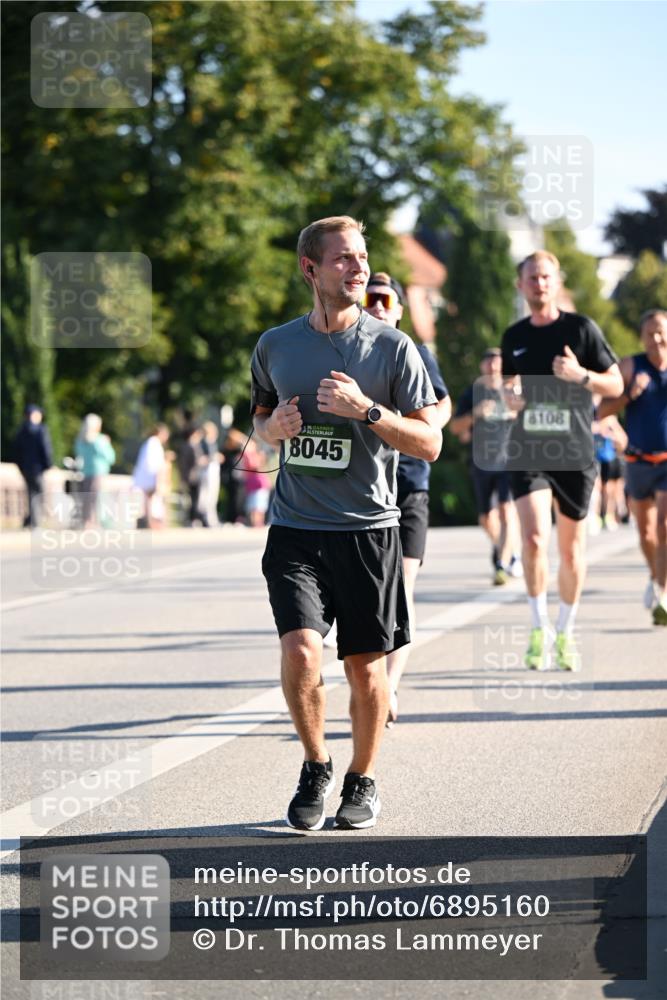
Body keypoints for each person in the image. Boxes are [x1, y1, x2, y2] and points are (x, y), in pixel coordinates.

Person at [251, 216, 441, 830]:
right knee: (303, 651)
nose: (359, 269)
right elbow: (257, 423)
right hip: (296, 529)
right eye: (343, 260)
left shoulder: (392, 347)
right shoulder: (276, 345)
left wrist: (369, 411)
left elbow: (430, 443)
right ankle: (315, 763)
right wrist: (271, 430)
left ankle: (362, 778)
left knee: (365, 668)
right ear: (311, 270)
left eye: (362, 257)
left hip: (370, 530)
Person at [500, 251, 623, 670]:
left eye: (546, 277)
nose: (539, 284)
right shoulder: (512, 335)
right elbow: (508, 390)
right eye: (531, 278)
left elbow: (616, 383)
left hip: (573, 450)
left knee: (571, 553)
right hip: (528, 448)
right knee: (534, 538)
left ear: (557, 281)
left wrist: (581, 376)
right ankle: (539, 628)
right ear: (521, 285)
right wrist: (511, 397)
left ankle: (566, 630)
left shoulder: (581, 329)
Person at [362, 271, 451, 726]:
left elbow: (443, 401)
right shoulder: (350, 349)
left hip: (410, 481)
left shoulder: (414, 352)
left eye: (385, 300)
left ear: (397, 310)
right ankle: (375, 680)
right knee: (372, 591)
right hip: (363, 485)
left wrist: (429, 425)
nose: (377, 306)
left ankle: (389, 687)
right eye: (370, 298)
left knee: (402, 586)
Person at [598, 309, 667, 625]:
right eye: (650, 332)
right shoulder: (630, 365)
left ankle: (662, 592)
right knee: (646, 533)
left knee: (664, 527)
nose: (656, 338)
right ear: (642, 337)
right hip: (638, 461)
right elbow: (601, 411)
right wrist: (630, 394)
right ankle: (656, 576)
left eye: (661, 331)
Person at [450, 348, 522, 585]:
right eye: (489, 363)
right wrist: (475, 415)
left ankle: (501, 564)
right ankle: (507, 550)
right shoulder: (472, 393)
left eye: (498, 364)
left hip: (510, 461)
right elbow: (455, 428)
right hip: (481, 462)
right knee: (486, 519)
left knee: (506, 511)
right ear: (482, 367)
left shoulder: (514, 392)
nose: (493, 368)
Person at [13, 404, 53, 527]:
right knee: (39, 494)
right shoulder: (41, 430)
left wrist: (21, 467)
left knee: (31, 494)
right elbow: (46, 449)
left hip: (26, 468)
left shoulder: (21, 431)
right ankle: (35, 522)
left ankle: (30, 520)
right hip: (38, 468)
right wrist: (48, 465)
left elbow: (16, 452)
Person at [74, 414, 116, 527]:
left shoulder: (80, 440)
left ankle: (87, 522)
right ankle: (97, 522)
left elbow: (78, 454)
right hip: (99, 473)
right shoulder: (100, 440)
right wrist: (107, 443)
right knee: (98, 499)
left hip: (85, 472)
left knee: (87, 498)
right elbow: (111, 458)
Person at [132, 424, 170, 529]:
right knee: (151, 501)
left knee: (149, 501)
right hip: (150, 477)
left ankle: (149, 522)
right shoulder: (153, 443)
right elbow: (152, 463)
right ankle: (150, 523)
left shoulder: (151, 443)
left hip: (148, 477)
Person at [177, 424, 204, 526]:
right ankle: (190, 519)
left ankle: (193, 518)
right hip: (191, 476)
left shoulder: (195, 445)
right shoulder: (187, 446)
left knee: (195, 498)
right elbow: (185, 464)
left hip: (195, 475)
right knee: (191, 499)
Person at [197, 421, 222, 527]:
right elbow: (205, 457)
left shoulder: (210, 442)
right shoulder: (205, 442)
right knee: (209, 495)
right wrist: (215, 457)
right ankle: (208, 518)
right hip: (208, 470)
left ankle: (210, 518)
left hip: (212, 470)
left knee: (211, 495)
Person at [243, 438, 272, 527]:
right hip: (254, 483)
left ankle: (259, 523)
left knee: (261, 505)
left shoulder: (257, 454)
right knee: (255, 505)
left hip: (260, 483)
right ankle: (255, 523)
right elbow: (254, 466)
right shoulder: (248, 455)